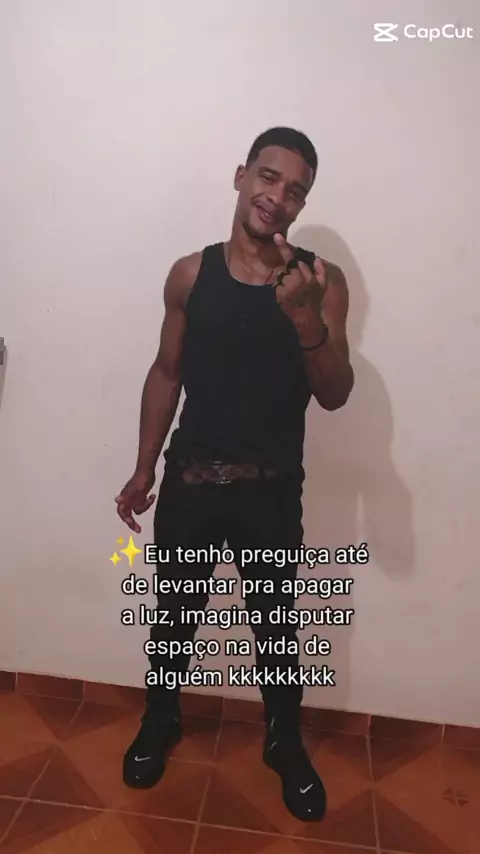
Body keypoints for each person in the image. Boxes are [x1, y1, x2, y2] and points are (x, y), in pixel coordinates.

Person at [115, 127, 354, 821]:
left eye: (296, 190)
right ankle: (160, 720)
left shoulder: (319, 282)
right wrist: (141, 469)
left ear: (302, 203)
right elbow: (167, 373)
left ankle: (283, 741)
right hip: (190, 481)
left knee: (276, 630)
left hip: (271, 489)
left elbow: (336, 393)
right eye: (269, 177)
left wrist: (305, 320)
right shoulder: (190, 275)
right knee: (174, 619)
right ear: (241, 174)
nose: (278, 197)